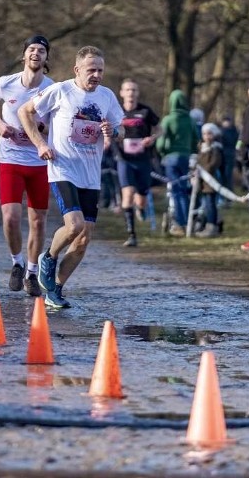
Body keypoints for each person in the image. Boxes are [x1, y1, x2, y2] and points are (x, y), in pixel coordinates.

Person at [18, 45, 124, 309]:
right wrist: (41, 144)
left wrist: (113, 131)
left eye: (100, 70)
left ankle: (55, 289)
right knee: (74, 225)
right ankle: (49, 256)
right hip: (62, 168)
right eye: (91, 70)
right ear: (77, 70)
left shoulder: (107, 96)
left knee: (84, 239)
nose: (96, 75)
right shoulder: (61, 90)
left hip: (90, 174)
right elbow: (25, 112)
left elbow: (119, 128)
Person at [0, 35, 55, 296]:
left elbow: (60, 119)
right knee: (11, 218)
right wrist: (1, 125)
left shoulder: (52, 88)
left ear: (46, 59)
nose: (36, 54)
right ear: (24, 55)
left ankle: (32, 272)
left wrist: (43, 129)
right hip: (10, 159)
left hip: (39, 162)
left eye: (42, 51)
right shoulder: (6, 83)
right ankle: (17, 263)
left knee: (37, 220)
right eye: (32, 50)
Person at [115, 78, 162, 247]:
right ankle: (132, 234)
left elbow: (160, 128)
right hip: (124, 159)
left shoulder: (145, 111)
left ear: (137, 93)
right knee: (127, 194)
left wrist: (152, 138)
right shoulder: (116, 111)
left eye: (134, 90)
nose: (130, 93)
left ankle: (140, 208)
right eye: (127, 90)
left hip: (143, 159)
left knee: (141, 198)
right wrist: (109, 140)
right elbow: (107, 128)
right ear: (122, 93)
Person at [155, 89, 197, 236]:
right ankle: (188, 222)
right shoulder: (190, 120)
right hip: (185, 157)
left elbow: (160, 142)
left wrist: (162, 152)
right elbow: (196, 139)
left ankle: (180, 223)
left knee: (175, 191)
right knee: (184, 190)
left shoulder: (168, 120)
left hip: (171, 158)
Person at [194, 122, 223, 238]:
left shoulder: (216, 148)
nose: (207, 136)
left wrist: (202, 170)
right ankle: (205, 223)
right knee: (205, 204)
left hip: (211, 181)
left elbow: (214, 164)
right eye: (204, 134)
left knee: (211, 204)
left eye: (209, 133)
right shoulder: (201, 147)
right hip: (201, 182)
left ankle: (212, 226)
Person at [219, 115, 239, 193]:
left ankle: (228, 192)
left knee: (228, 175)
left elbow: (236, 142)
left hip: (230, 155)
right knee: (224, 175)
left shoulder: (233, 131)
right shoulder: (221, 131)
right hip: (223, 155)